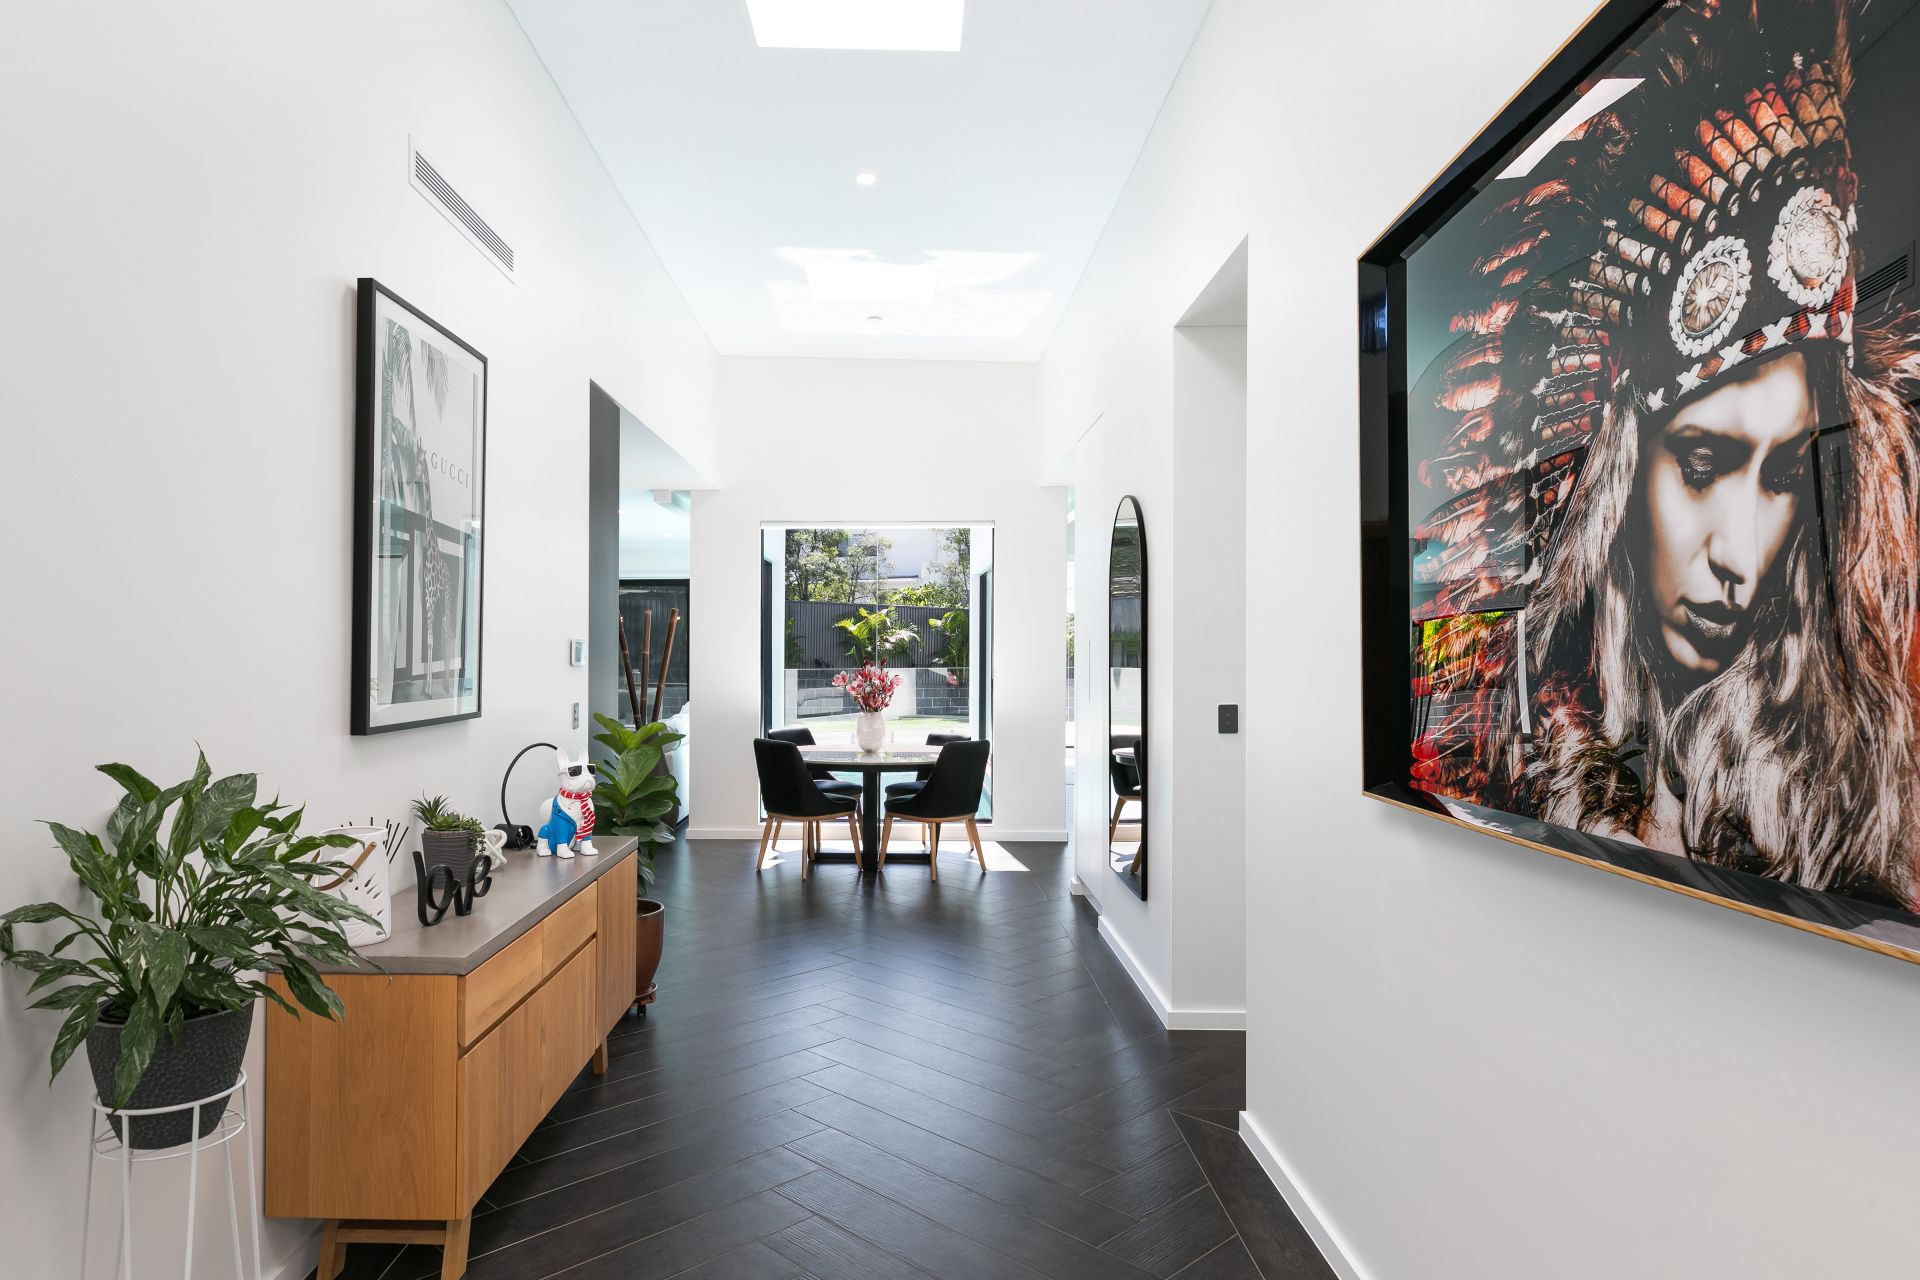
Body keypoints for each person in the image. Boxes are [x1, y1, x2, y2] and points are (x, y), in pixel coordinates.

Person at [1414, 0, 1920, 907]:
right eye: (1702, 464)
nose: (1739, 555)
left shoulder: (1857, 801)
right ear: (1616, 480)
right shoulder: (1525, 745)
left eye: (1783, 475)